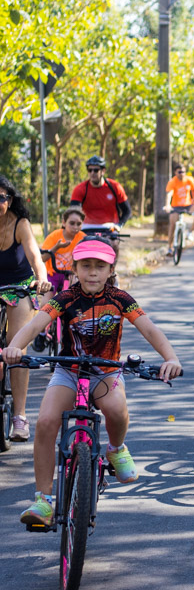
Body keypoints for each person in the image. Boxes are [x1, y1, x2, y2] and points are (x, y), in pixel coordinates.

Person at [4, 236, 182, 526]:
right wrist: (14, 347)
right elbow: (36, 324)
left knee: (116, 411)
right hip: (69, 371)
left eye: (100, 266)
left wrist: (171, 358)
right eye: (86, 266)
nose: (93, 273)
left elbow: (149, 329)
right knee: (46, 422)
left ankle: (116, 448)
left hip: (106, 371)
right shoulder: (65, 298)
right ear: (74, 268)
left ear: (111, 270)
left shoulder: (120, 298)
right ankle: (43, 500)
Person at [0, 175, 52, 441]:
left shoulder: (20, 224)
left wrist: (41, 279)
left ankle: (19, 416)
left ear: (10, 201)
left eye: (1, 198)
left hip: (18, 286)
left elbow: (35, 256)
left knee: (16, 346)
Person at [32, 207, 86, 351]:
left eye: (79, 224)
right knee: (46, 303)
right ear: (64, 222)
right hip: (53, 275)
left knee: (76, 303)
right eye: (72, 223)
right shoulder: (54, 236)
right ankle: (41, 333)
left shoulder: (82, 238)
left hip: (72, 275)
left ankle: (77, 332)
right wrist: (56, 247)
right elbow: (43, 258)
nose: (75, 227)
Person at [69, 156, 132, 227]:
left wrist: (119, 225)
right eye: (90, 170)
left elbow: (127, 211)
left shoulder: (115, 187)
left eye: (96, 170)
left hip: (110, 228)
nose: (92, 173)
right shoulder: (80, 189)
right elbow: (73, 212)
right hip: (86, 227)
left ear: (103, 171)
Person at [164, 164, 194, 256]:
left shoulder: (189, 180)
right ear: (175, 172)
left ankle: (189, 232)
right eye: (179, 172)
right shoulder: (172, 181)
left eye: (183, 172)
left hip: (188, 205)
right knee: (172, 225)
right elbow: (169, 194)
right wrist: (167, 205)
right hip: (176, 206)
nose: (182, 174)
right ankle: (170, 248)